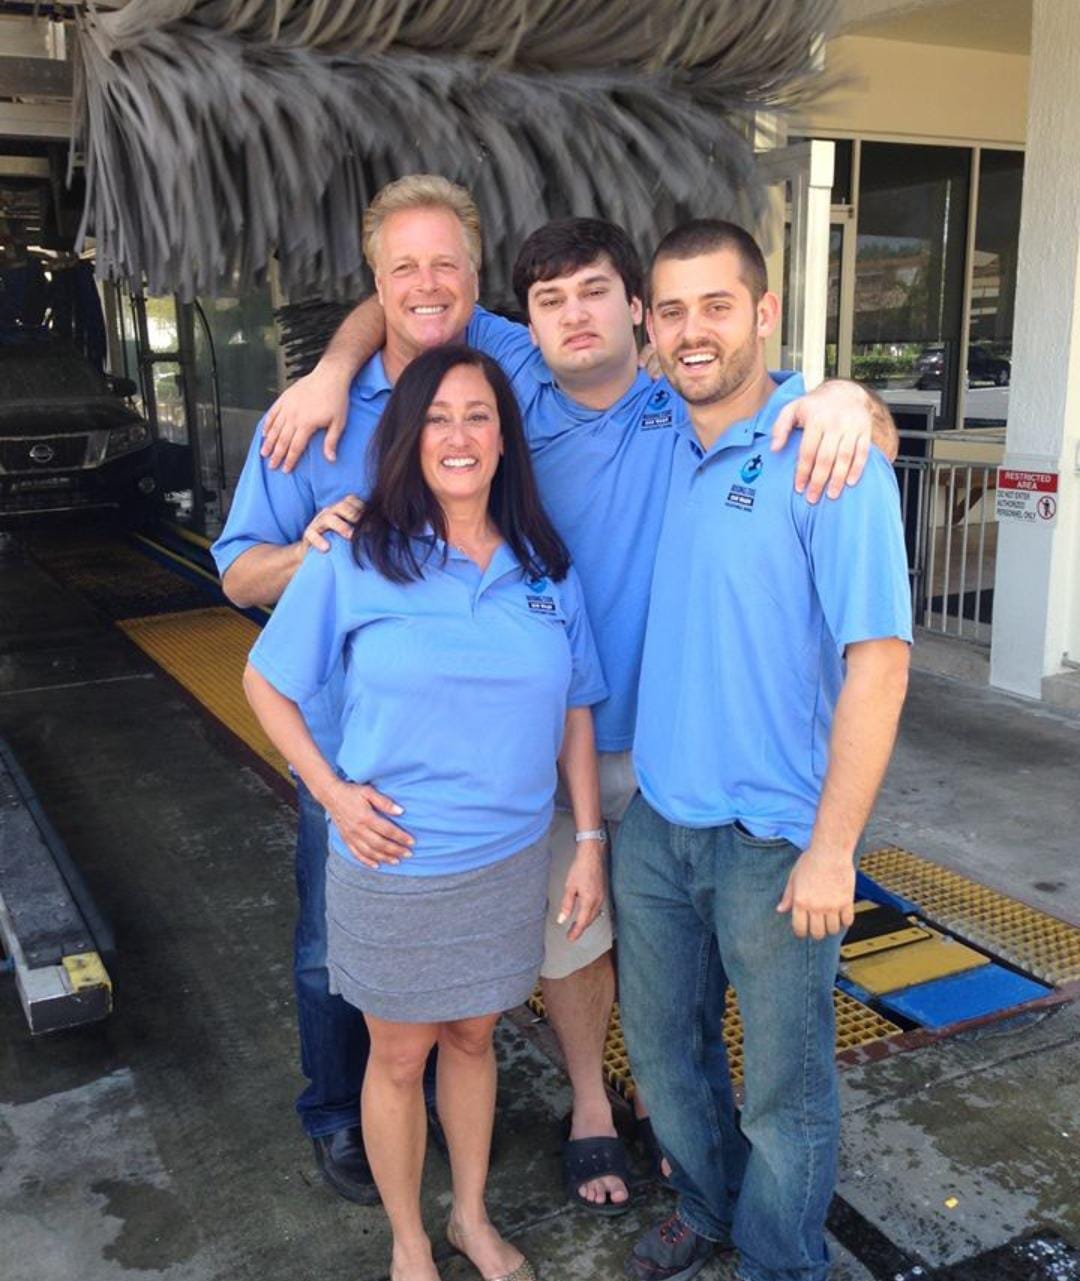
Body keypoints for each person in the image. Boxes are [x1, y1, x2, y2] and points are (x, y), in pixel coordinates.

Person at [261, 205, 896, 1213]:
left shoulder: (681, 404)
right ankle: (595, 1107)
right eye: (550, 301)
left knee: (689, 970)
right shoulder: (512, 395)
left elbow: (772, 397)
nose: (574, 315)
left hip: (687, 751)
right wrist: (335, 369)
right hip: (559, 743)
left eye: (597, 292)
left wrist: (852, 400)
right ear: (529, 320)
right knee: (572, 943)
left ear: (637, 311)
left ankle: (682, 1124)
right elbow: (408, 313)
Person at [244, 344, 608, 1281]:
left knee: (476, 1035)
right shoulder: (358, 558)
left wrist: (589, 841)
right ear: (409, 438)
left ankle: (469, 1218)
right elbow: (265, 681)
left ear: (503, 436)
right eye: (438, 416)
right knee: (400, 1056)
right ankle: (410, 1240)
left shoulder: (545, 565)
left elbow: (575, 704)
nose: (459, 434)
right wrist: (330, 795)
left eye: (478, 414)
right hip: (394, 858)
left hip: (508, 857)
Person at [615, 220, 912, 1281]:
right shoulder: (657, 429)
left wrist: (834, 848)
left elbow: (879, 664)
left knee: (787, 1088)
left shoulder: (828, 457)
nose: (695, 333)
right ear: (648, 327)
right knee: (663, 1052)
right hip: (656, 822)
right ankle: (705, 1205)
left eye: (719, 306)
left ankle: (782, 1262)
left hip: (777, 841)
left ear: (766, 313)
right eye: (674, 311)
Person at [211, 175, 502, 1204]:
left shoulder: (504, 363)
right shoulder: (309, 421)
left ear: (476, 277)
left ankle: (425, 1105)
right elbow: (236, 573)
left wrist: (837, 399)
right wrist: (311, 548)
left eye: (446, 265)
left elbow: (640, 365)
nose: (427, 286)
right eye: (402, 269)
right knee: (332, 943)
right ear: (374, 283)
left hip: (479, 750)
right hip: (348, 746)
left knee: (458, 952)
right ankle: (340, 1112)